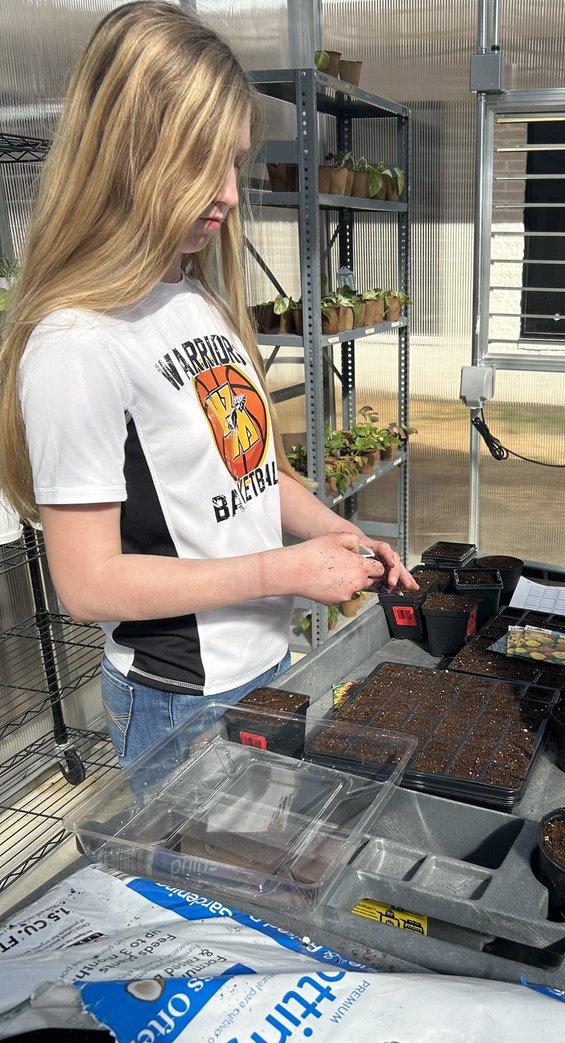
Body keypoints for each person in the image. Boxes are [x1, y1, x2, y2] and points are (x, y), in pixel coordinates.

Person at [0, 1, 416, 768]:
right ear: (127, 153)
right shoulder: (77, 341)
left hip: (262, 665)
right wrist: (284, 570)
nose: (228, 193)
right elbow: (87, 584)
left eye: (234, 161)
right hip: (179, 701)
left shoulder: (193, 298)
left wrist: (333, 531)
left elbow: (256, 476)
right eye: (202, 162)